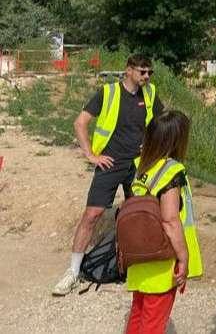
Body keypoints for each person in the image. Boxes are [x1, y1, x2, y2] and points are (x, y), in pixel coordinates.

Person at [53, 54, 164, 296]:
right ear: (129, 70)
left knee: (139, 215)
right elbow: (80, 123)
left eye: (150, 72)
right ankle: (73, 271)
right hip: (110, 163)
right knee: (92, 215)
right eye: (142, 71)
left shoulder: (150, 94)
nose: (147, 76)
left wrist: (153, 145)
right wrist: (90, 155)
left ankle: (133, 266)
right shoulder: (108, 92)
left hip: (139, 165)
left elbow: (162, 124)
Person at [125, 110, 203, 334]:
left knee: (138, 313)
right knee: (153, 323)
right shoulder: (171, 172)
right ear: (178, 140)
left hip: (139, 255)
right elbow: (170, 220)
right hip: (162, 260)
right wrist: (184, 257)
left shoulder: (140, 166)